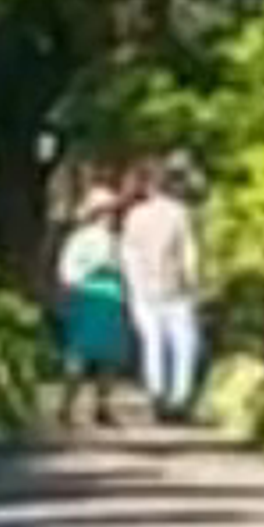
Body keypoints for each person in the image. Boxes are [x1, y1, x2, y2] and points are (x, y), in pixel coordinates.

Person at [120, 156, 209, 421]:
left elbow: (128, 254)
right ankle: (179, 397)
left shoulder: (135, 216)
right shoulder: (179, 214)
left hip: (145, 289)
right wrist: (193, 283)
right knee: (184, 343)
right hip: (175, 287)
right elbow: (189, 252)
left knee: (153, 343)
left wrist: (133, 285)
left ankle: (157, 391)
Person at [49, 173, 137, 424]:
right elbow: (68, 270)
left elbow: (126, 269)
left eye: (112, 211)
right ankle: (67, 405)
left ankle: (103, 405)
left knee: (109, 356)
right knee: (79, 353)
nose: (110, 216)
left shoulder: (116, 240)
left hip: (111, 295)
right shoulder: (80, 239)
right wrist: (70, 292)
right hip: (89, 295)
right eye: (106, 212)